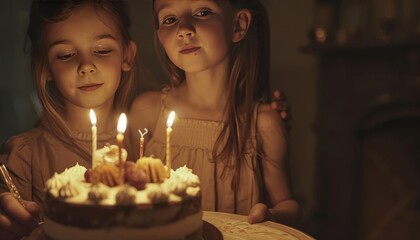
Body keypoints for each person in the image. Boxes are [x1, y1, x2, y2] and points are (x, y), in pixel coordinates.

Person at [128, 0, 301, 226]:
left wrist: (271, 215)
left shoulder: (262, 124)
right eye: (170, 19)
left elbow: (289, 205)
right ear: (160, 36)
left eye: (202, 12)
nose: (183, 30)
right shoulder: (146, 112)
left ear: (238, 25)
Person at [0, 0, 137, 239]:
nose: (86, 66)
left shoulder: (146, 142)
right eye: (66, 55)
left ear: (127, 55)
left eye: (102, 50)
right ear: (45, 67)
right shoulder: (25, 156)